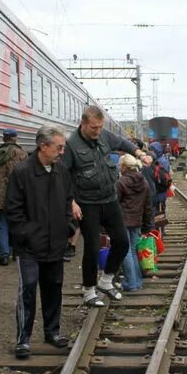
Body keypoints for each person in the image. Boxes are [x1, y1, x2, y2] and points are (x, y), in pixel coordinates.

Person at [62, 106, 152, 306]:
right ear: (83, 124)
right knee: (92, 248)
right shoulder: (71, 145)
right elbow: (63, 176)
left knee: (122, 242)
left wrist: (140, 153)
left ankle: (106, 281)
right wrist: (71, 202)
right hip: (87, 203)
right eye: (93, 127)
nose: (97, 131)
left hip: (109, 199)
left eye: (100, 127)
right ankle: (88, 291)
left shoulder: (104, 136)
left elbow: (122, 142)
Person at [5, 125, 75, 359]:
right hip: (29, 247)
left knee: (53, 288)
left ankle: (52, 332)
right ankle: (23, 339)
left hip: (55, 244)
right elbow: (13, 210)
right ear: (43, 146)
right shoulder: (22, 172)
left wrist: (68, 227)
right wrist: (25, 235)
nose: (62, 152)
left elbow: (67, 202)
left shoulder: (61, 172)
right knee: (28, 289)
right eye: (59, 147)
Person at [0, 128, 28, 266]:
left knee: (2, 225)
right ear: (15, 138)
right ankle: (16, 252)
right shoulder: (21, 154)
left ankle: (4, 255)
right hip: (15, 197)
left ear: (4, 138)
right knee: (16, 224)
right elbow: (25, 178)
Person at [117, 154, 153, 292]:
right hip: (137, 222)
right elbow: (148, 206)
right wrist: (147, 227)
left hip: (123, 221)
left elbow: (114, 204)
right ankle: (137, 282)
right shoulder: (144, 182)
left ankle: (131, 283)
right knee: (132, 251)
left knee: (125, 252)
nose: (119, 168)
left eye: (120, 166)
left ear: (125, 167)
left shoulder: (121, 183)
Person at [148, 141, 173, 217]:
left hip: (159, 191)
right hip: (159, 191)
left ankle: (160, 229)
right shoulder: (161, 160)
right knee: (159, 213)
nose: (150, 152)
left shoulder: (161, 162)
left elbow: (162, 178)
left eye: (152, 150)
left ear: (156, 151)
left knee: (159, 214)